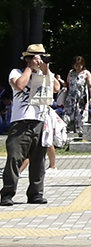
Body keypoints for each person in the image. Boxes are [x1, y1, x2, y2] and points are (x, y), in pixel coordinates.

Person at [5, 45, 58, 205]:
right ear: (28, 58)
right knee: (14, 158)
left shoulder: (45, 74)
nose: (39, 60)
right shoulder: (17, 72)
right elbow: (19, 85)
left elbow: (56, 88)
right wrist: (30, 68)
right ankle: (7, 193)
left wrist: (45, 69)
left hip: (39, 122)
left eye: (41, 57)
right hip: (20, 123)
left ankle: (35, 194)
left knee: (38, 160)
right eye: (36, 57)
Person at [60, 56, 91, 147]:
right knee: (68, 116)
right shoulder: (71, 73)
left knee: (81, 117)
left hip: (81, 98)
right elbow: (67, 84)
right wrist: (60, 81)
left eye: (80, 64)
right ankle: (66, 137)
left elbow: (90, 86)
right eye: (76, 64)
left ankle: (82, 135)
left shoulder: (86, 73)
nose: (78, 66)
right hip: (71, 98)